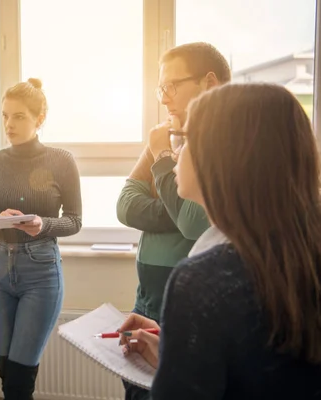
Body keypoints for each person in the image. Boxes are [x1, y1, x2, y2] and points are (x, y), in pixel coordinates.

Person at [119, 83, 321, 399]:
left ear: (223, 158)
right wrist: (180, 352)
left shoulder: (203, 280)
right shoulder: (302, 251)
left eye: (185, 139)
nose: (176, 151)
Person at [116, 42, 231, 399]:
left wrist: (163, 160)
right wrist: (177, 203)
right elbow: (125, 206)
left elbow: (193, 224)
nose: (164, 98)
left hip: (184, 304)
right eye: (160, 88)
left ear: (208, 83)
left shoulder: (223, 141)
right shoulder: (168, 135)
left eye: (172, 86)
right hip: (146, 300)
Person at [0, 78, 82, 399]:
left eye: (19, 116)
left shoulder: (61, 161)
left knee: (19, 379)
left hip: (41, 271)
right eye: (5, 115)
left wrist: (43, 223)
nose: (9, 124)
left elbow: (74, 221)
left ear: (40, 119)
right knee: (7, 374)